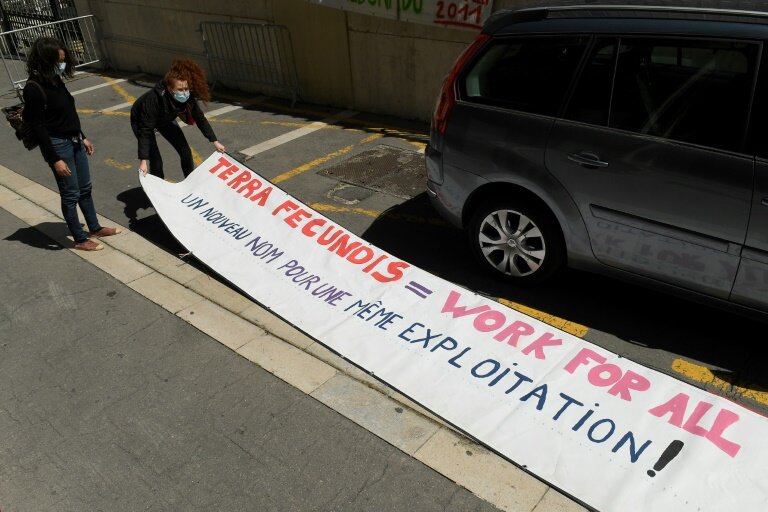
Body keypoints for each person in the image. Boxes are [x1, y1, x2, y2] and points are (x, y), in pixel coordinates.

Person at [23, 37, 121, 252]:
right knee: (70, 193)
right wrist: (55, 159)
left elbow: (67, 113)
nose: (63, 63)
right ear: (46, 59)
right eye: (59, 60)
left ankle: (93, 228)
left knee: (85, 188)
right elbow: (39, 127)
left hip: (74, 141)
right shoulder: (34, 88)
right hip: (59, 147)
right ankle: (79, 238)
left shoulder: (55, 80)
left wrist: (82, 135)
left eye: (63, 58)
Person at [130, 59, 225, 179]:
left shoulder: (188, 98)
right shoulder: (153, 100)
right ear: (170, 89)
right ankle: (160, 190)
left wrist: (214, 141)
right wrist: (143, 161)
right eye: (180, 90)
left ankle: (190, 181)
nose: (184, 92)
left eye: (186, 89)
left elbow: (200, 119)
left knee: (185, 151)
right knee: (156, 160)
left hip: (165, 119)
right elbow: (145, 131)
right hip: (141, 119)